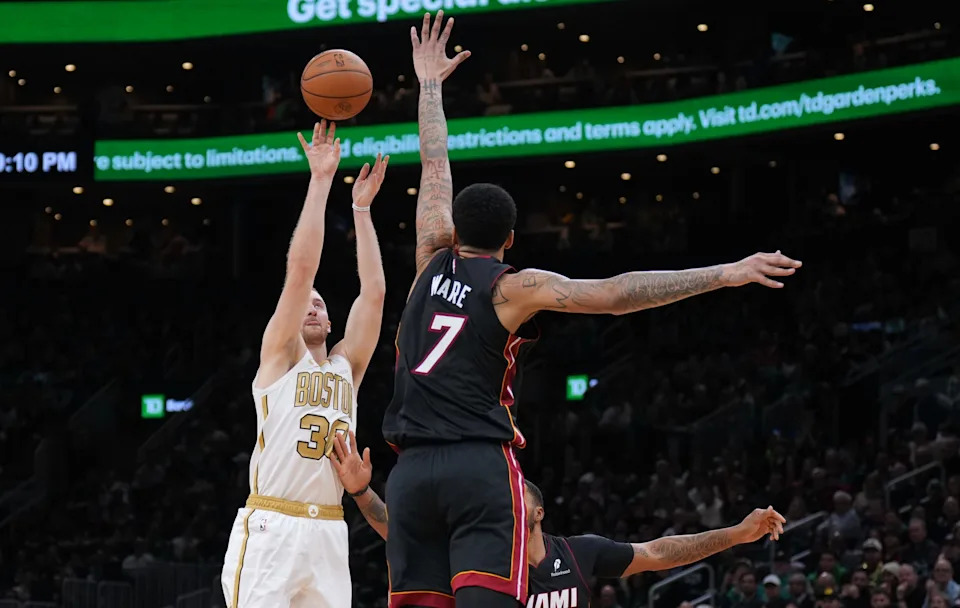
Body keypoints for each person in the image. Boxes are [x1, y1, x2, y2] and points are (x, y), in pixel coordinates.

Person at [382, 11, 802, 608]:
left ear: (453, 230)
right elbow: (615, 294)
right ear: (509, 238)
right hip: (476, 467)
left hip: (409, 474)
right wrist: (724, 274)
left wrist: (428, 85)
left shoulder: (427, 259)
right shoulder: (511, 285)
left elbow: (434, 162)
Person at [220, 121, 389, 608]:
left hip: (330, 530)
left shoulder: (346, 370)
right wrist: (321, 182)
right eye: (306, 304)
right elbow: (301, 270)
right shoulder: (278, 356)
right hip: (273, 524)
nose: (313, 306)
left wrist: (361, 210)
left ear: (332, 322)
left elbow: (374, 295)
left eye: (321, 303)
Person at [330, 436, 786, 608]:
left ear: (539, 512)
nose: (504, 493)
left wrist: (738, 534)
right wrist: (361, 492)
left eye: (516, 490)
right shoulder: (474, 552)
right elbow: (401, 531)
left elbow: (657, 552)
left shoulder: (579, 552)